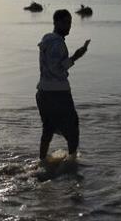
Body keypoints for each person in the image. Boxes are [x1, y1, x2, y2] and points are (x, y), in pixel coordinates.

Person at [36, 9, 90, 162]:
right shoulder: (57, 43)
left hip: (43, 92)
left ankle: (42, 161)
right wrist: (76, 56)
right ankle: (72, 162)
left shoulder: (47, 39)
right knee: (73, 128)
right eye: (66, 23)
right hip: (57, 93)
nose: (69, 26)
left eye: (70, 23)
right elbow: (57, 68)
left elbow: (52, 66)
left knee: (48, 128)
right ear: (57, 22)